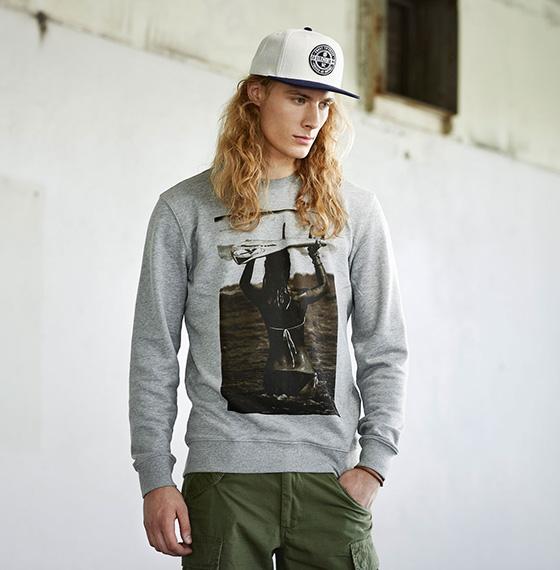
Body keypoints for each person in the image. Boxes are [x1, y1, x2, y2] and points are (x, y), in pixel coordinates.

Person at [128, 26, 409, 569]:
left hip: (330, 478)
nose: (313, 119)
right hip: (224, 479)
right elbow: (154, 350)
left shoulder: (357, 211)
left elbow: (383, 345)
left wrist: (374, 464)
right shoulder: (184, 209)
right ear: (256, 93)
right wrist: (155, 477)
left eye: (324, 104)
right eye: (298, 98)